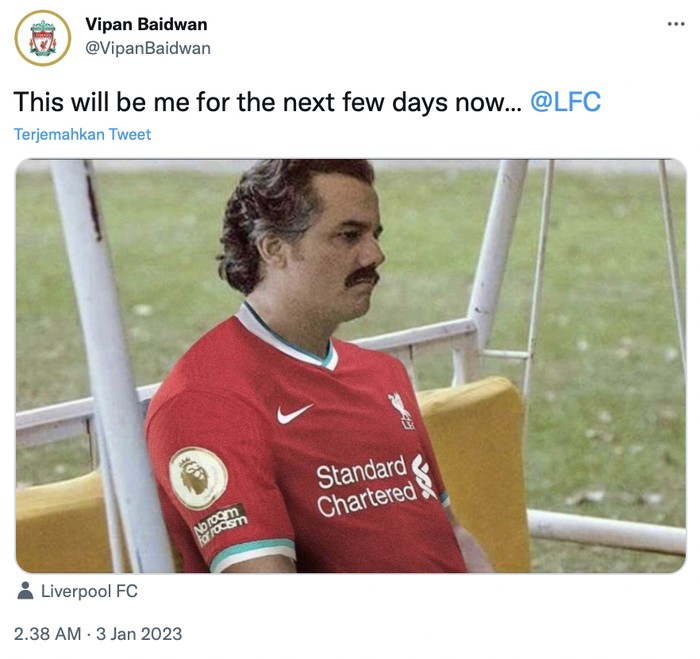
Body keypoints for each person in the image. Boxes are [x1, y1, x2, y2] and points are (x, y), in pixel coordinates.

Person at [145, 159, 493, 573]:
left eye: (375, 235)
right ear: (273, 248)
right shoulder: (208, 400)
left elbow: (453, 534)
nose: (376, 254)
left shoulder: (382, 373)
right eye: (349, 235)